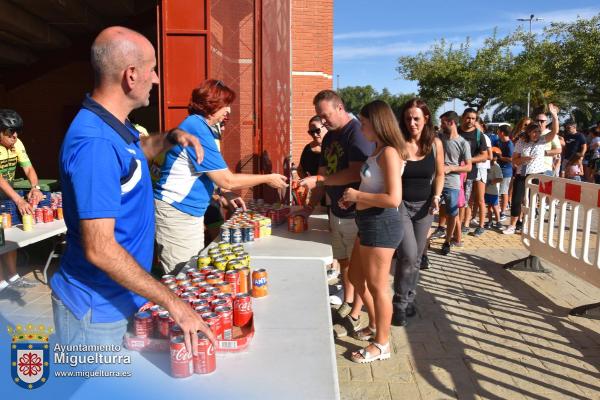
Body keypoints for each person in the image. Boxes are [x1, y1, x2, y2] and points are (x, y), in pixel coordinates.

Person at [51, 26, 216, 353]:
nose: (156, 79)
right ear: (131, 75)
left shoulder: (115, 125)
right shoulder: (95, 143)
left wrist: (170, 138)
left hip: (120, 300)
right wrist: (173, 303)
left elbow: (136, 153)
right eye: (152, 70)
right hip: (96, 314)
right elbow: (100, 248)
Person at [153, 79, 287, 274]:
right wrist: (267, 178)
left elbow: (207, 174)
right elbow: (227, 179)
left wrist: (225, 193)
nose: (229, 112)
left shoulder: (198, 126)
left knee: (192, 269)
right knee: (182, 275)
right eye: (226, 105)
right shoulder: (195, 128)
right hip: (176, 212)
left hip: (186, 212)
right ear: (211, 104)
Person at [298, 90, 374, 336]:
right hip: (335, 211)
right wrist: (310, 207)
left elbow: (355, 173)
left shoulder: (356, 133)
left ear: (339, 108)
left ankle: (356, 313)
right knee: (343, 261)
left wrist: (319, 180)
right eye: (320, 116)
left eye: (325, 115)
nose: (323, 120)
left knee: (358, 269)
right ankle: (347, 301)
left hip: (356, 212)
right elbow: (324, 179)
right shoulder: (330, 138)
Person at [338, 100, 406, 363]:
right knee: (356, 277)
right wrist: (355, 198)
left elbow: (393, 199)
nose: (361, 126)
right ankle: (376, 325)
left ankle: (382, 344)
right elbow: (373, 189)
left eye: (364, 122)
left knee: (378, 287)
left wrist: (358, 194)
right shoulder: (376, 151)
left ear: (377, 122)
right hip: (366, 222)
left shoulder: (389, 152)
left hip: (382, 224)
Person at [391, 99, 444, 327]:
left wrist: (436, 196)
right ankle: (399, 303)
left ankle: (409, 298)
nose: (412, 123)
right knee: (409, 255)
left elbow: (440, 174)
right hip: (400, 205)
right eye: (408, 119)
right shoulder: (397, 144)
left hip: (425, 207)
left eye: (416, 119)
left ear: (426, 119)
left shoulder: (435, 144)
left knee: (418, 257)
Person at [0, 109, 44, 296]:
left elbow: (28, 168)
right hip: (5, 189)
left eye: (16, 131)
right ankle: (2, 283)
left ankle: (13, 277)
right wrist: (18, 199)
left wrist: (35, 187)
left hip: (5, 193)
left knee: (9, 236)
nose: (15, 136)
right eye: (10, 132)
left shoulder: (17, 144)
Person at [504, 104, 560, 235]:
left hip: (536, 175)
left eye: (538, 132)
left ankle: (526, 225)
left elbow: (554, 132)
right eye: (534, 132)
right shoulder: (521, 142)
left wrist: (554, 116)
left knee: (531, 201)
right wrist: (523, 159)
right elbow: (514, 160)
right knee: (517, 200)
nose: (537, 134)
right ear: (529, 132)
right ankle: (512, 225)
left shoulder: (542, 140)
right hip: (522, 174)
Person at [439, 111, 472, 255]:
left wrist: (451, 168)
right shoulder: (438, 138)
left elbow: (468, 167)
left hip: (452, 183)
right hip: (435, 181)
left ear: (451, 123)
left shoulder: (463, 143)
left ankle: (447, 241)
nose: (441, 125)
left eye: (443, 122)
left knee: (452, 213)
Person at [459, 108, 489, 237]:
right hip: (454, 172)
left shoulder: (478, 135)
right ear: (462, 117)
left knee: (469, 200)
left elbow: (485, 155)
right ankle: (461, 225)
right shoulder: (456, 132)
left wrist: (469, 160)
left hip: (470, 173)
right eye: (468, 118)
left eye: (473, 118)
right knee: (460, 201)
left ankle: (477, 225)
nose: (470, 121)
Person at [496, 125, 513, 220]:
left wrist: (501, 157)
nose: (497, 133)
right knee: (498, 191)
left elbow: (511, 159)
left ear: (502, 132)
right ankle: (498, 210)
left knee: (504, 192)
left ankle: (503, 212)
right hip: (498, 169)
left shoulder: (509, 144)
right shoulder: (498, 142)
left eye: (498, 131)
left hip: (506, 171)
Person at [484, 149, 503, 230]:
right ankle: (490, 221)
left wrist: (491, 182)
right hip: (487, 190)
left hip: (493, 191)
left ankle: (498, 221)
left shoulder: (496, 167)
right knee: (489, 206)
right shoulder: (488, 165)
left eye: (493, 156)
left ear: (495, 158)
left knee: (495, 206)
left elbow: (500, 179)